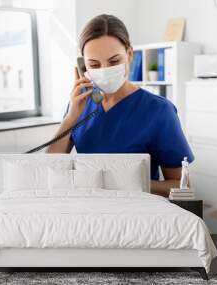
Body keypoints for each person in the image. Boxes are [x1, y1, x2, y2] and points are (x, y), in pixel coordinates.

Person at [46, 14, 194, 197]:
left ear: (129, 54)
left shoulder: (159, 111)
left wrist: (129, 183)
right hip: (89, 209)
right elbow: (50, 166)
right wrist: (70, 119)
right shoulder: (79, 105)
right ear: (83, 66)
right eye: (94, 64)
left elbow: (182, 187)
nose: (104, 70)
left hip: (136, 214)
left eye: (114, 61)